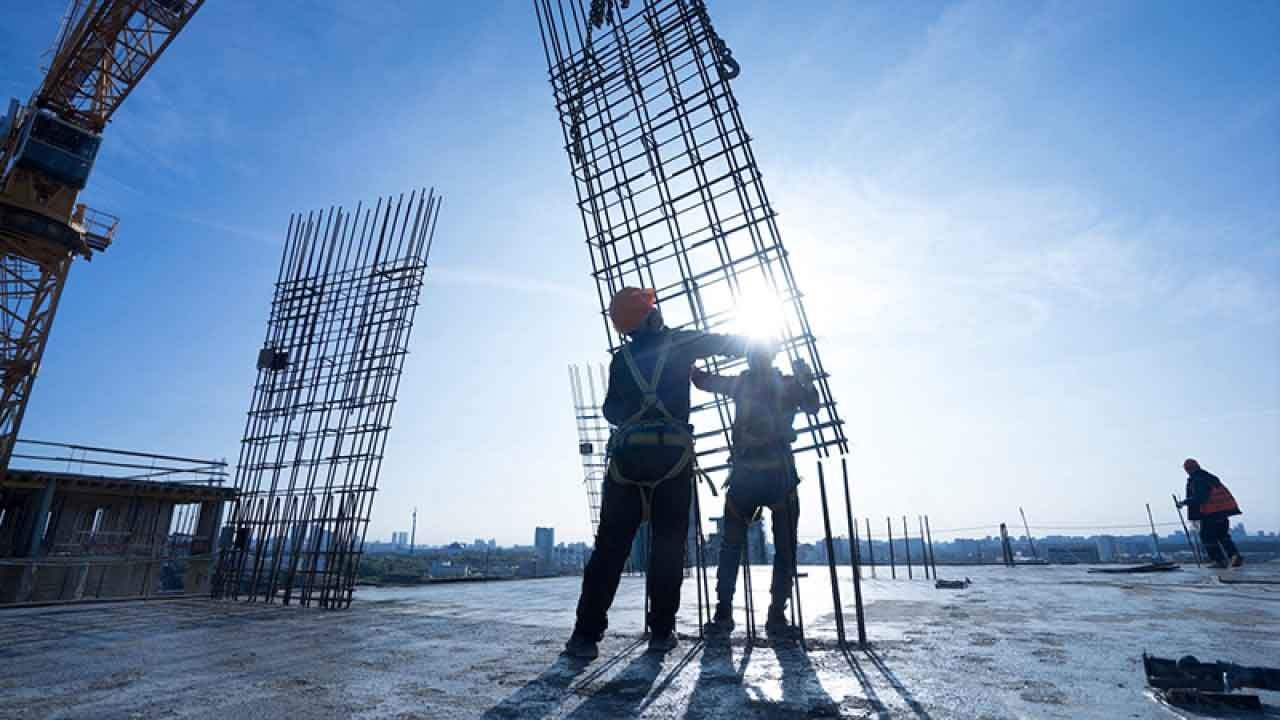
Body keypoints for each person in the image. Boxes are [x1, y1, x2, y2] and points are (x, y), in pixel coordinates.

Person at [564, 288, 750, 659]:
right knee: (667, 547)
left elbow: (610, 412)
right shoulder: (680, 342)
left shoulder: (621, 360)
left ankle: (584, 636)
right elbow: (729, 343)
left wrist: (639, 412)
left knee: (610, 550)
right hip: (671, 460)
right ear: (649, 315)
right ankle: (662, 633)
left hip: (627, 464)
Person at [692, 340, 819, 639]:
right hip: (776, 477)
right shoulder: (784, 384)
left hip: (750, 477)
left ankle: (725, 613)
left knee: (732, 547)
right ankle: (775, 616)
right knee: (783, 549)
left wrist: (685, 358)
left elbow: (702, 381)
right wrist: (806, 380)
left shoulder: (742, 384)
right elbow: (812, 406)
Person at [1177, 458, 1243, 568]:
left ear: (1189, 469)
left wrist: (1184, 502)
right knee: (1222, 535)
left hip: (1210, 512)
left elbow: (1201, 497)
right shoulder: (1209, 477)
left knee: (1207, 537)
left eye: (1187, 469)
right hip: (1222, 511)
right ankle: (1234, 555)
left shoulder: (1198, 479)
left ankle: (1219, 561)